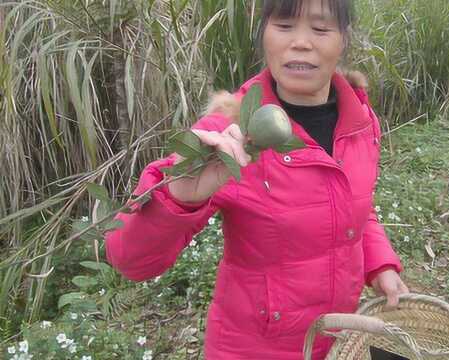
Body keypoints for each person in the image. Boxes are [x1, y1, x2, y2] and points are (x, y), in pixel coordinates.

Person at [105, 0, 409, 358]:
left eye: (321, 28)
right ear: (263, 34)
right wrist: (179, 194)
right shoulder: (228, 136)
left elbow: (357, 205)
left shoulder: (358, 119)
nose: (301, 42)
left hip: (338, 341)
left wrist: (380, 265)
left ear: (343, 39)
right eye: (284, 26)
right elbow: (130, 260)